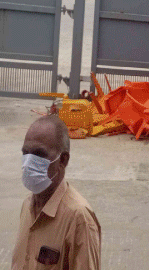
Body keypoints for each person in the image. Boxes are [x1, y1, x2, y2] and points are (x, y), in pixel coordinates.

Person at [13, 115, 101, 270]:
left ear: (63, 160)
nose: (28, 163)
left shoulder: (79, 219)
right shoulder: (27, 206)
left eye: (39, 154)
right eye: (25, 153)